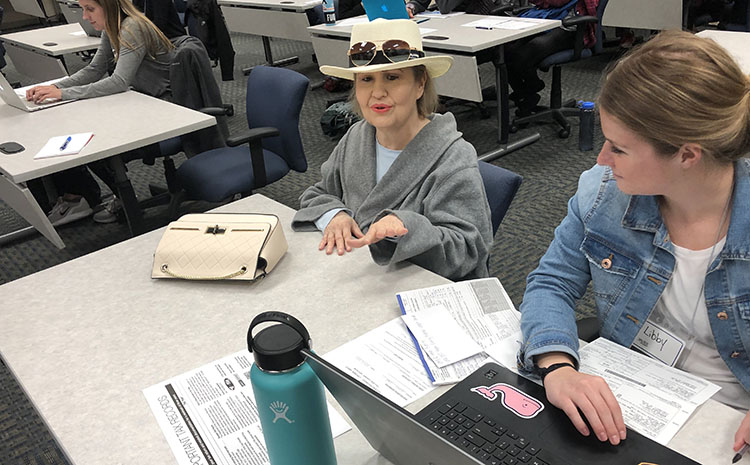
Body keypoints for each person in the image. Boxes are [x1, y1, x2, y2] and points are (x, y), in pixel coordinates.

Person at [518, 30, 750, 452]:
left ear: (687, 154)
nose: (602, 160)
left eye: (619, 149)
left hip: (728, 426)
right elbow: (552, 283)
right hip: (628, 401)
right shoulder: (602, 194)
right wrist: (557, 367)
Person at [292, 19, 493, 281]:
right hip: (358, 276)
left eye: (392, 77)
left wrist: (408, 228)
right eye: (366, 79)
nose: (377, 92)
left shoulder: (453, 158)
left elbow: (467, 250)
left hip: (418, 291)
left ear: (420, 84)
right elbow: (319, 193)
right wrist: (335, 214)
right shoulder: (357, 137)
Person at [25, 0, 176, 225]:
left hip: (164, 111)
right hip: (141, 101)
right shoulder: (113, 26)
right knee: (80, 133)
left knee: (91, 143)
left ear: (110, 6)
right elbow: (95, 70)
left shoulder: (132, 27)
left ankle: (126, 200)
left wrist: (62, 94)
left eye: (90, 9)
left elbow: (119, 81)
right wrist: (57, 87)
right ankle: (122, 197)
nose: (85, 16)